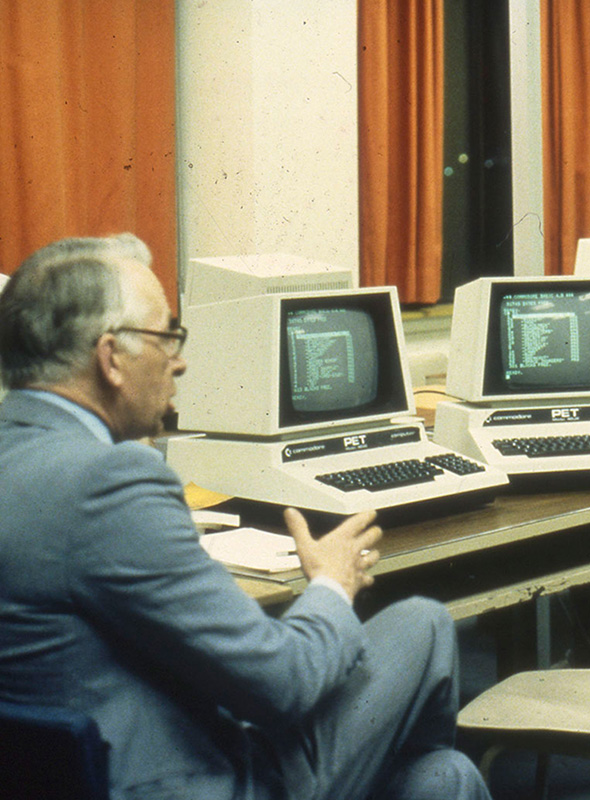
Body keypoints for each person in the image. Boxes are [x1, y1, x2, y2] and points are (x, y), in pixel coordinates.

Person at [0, 234, 490, 800]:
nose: (179, 361)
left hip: (75, 768)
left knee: (442, 780)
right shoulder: (113, 484)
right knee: (423, 623)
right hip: (191, 783)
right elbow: (280, 683)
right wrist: (331, 583)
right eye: (167, 338)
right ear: (111, 358)